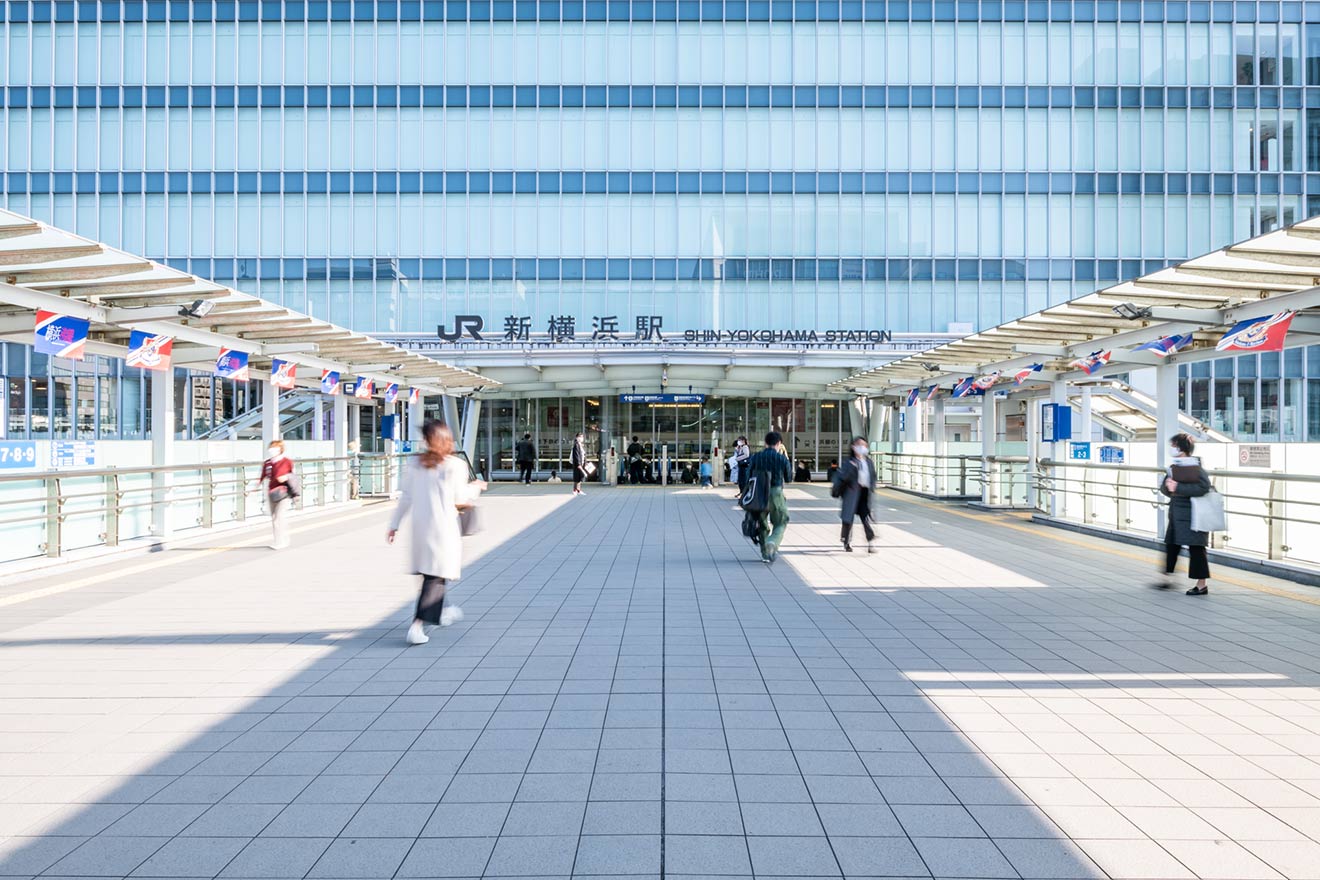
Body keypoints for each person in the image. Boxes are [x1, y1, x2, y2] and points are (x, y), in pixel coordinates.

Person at [388, 420, 486, 645]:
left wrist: (394, 524)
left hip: (420, 528)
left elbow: (406, 496)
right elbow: (461, 498)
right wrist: (477, 487)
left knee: (431, 573)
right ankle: (418, 625)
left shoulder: (415, 463)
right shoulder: (454, 465)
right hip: (443, 529)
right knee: (436, 576)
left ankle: (442, 611)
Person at [1156, 432, 1213, 596]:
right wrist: (1168, 486)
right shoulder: (1175, 466)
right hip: (1177, 513)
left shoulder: (1196, 467)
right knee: (1172, 545)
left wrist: (1178, 488)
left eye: (1173, 445)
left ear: (1181, 447)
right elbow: (1166, 489)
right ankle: (1166, 579)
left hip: (1194, 515)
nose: (1171, 449)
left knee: (1196, 548)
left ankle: (1201, 585)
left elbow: (1203, 488)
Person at [745, 431, 792, 563]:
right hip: (776, 493)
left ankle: (765, 554)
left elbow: (748, 476)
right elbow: (789, 478)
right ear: (779, 444)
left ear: (765, 443)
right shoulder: (781, 459)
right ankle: (772, 543)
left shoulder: (756, 457)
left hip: (758, 494)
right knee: (781, 521)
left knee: (762, 524)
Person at [835, 436, 877, 553]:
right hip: (851, 494)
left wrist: (872, 488)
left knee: (865, 518)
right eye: (859, 445)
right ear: (853, 447)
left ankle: (870, 542)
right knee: (848, 520)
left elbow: (873, 476)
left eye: (864, 445)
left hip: (864, 494)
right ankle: (846, 541)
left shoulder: (868, 462)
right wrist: (852, 468)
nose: (861, 447)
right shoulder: (848, 462)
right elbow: (842, 477)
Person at [257, 440, 295, 550]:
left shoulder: (286, 461)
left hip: (283, 492)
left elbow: (292, 475)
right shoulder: (268, 463)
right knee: (274, 518)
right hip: (271, 492)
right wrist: (255, 487)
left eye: (275, 448)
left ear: (280, 450)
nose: (272, 450)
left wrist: (286, 477)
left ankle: (281, 541)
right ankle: (279, 539)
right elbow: (263, 475)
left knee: (278, 518)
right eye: (271, 448)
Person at [570, 431, 588, 496]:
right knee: (576, 477)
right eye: (580, 437)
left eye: (582, 437)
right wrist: (578, 464)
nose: (581, 438)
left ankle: (578, 490)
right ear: (577, 437)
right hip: (577, 464)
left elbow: (584, 454)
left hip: (582, 463)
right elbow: (576, 455)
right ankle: (574, 490)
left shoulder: (581, 445)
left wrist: (585, 462)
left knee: (580, 477)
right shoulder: (576, 445)